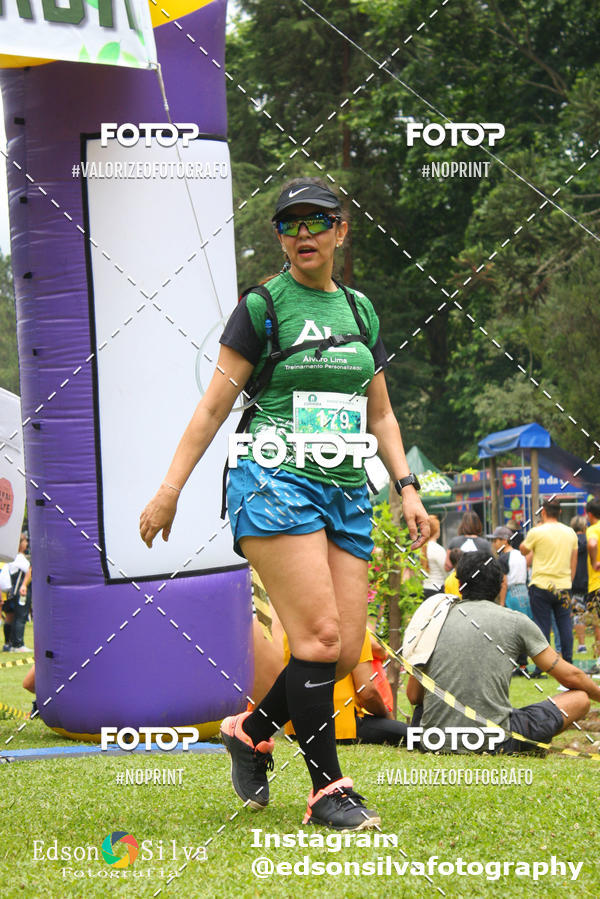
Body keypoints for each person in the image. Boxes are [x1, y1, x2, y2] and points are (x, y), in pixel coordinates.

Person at [139, 177, 429, 831]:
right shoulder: (263, 306)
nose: (303, 233)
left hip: (345, 486)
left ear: (340, 229)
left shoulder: (361, 312)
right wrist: (169, 489)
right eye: (289, 224)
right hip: (272, 481)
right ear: (279, 236)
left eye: (317, 221)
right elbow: (214, 404)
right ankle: (329, 789)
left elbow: (380, 414)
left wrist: (406, 485)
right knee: (319, 636)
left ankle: (252, 728)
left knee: (347, 646)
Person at [405, 551, 600, 753]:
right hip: (497, 742)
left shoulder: (434, 618)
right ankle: (529, 745)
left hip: (432, 741)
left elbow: (413, 697)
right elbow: (571, 676)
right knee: (580, 699)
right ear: (500, 585)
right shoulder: (516, 621)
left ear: (460, 584)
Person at [520, 499, 577, 669]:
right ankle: (568, 661)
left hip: (541, 584)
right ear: (560, 512)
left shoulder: (537, 532)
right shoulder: (570, 532)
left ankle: (542, 666)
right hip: (563, 585)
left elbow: (523, 550)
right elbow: (573, 562)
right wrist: (569, 581)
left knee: (542, 626)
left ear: (543, 512)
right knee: (565, 624)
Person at [0, 532, 31, 652]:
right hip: (19, 592)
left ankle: (8, 643)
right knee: (20, 617)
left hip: (9, 593)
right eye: (25, 542)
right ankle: (18, 644)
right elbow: (30, 569)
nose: (26, 544)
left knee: (10, 617)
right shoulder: (19, 558)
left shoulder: (9, 558)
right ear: (20, 544)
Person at [491, 525, 531, 617]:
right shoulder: (520, 554)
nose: (493, 544)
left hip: (512, 595)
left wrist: (501, 603)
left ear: (505, 540)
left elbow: (504, 583)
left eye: (495, 540)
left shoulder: (502, 559)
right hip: (525, 593)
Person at [570, 514, 591, 653]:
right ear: (585, 527)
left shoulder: (570, 542)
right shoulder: (591, 540)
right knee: (595, 614)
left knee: (578, 614)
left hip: (575, 582)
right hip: (591, 582)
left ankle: (581, 645)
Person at [585, 498, 600, 658]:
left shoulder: (593, 529)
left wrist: (595, 561)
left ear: (589, 514)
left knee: (598, 623)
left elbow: (592, 544)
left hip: (597, 584)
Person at [421, 514, 447, 598]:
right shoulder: (438, 549)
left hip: (424, 590)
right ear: (436, 530)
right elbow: (446, 571)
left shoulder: (421, 549)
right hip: (437, 591)